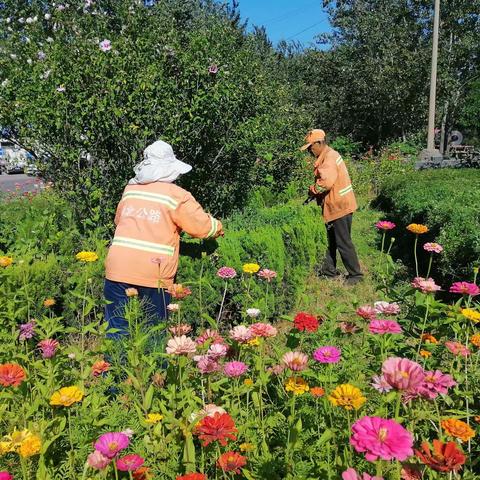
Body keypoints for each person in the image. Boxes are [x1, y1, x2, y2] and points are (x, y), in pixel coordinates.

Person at [104, 140, 224, 338]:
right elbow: (202, 227)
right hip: (154, 272)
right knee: (154, 332)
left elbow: (119, 221)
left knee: (117, 329)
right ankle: (155, 368)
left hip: (118, 269)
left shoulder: (130, 190)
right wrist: (218, 228)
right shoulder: (177, 196)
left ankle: (115, 368)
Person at [300, 129, 363, 285]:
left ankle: (356, 276)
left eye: (310, 147)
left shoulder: (328, 158)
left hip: (339, 206)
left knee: (342, 241)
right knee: (330, 241)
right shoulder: (327, 155)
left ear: (319, 143)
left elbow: (325, 183)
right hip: (335, 205)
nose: (309, 151)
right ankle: (329, 272)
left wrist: (312, 190)